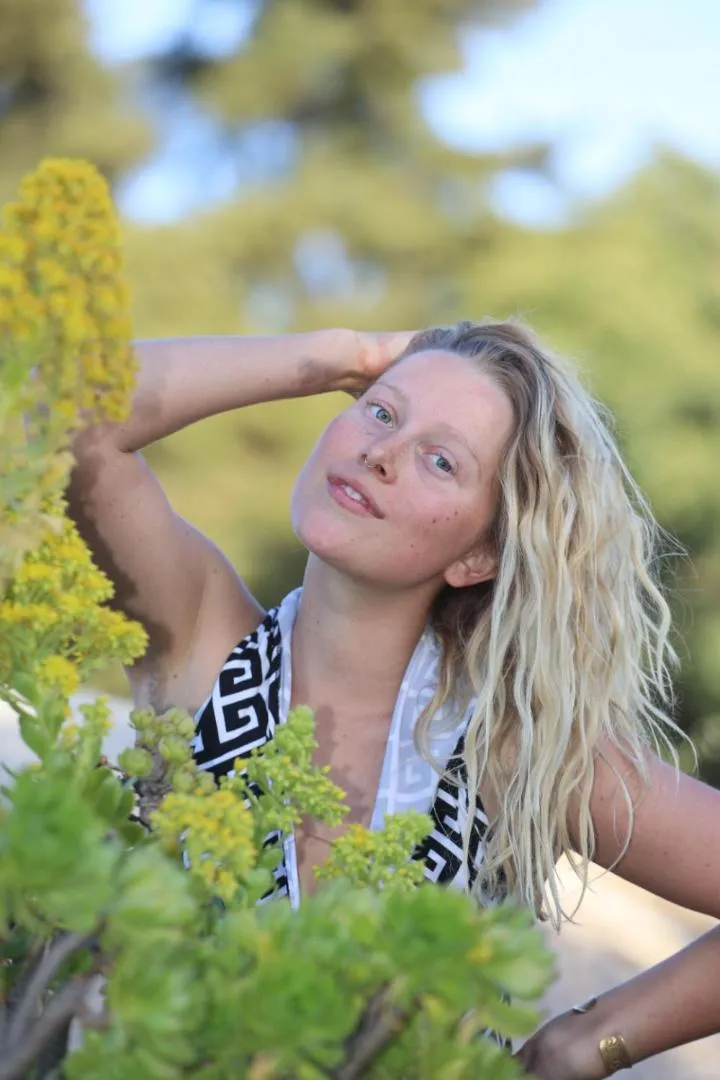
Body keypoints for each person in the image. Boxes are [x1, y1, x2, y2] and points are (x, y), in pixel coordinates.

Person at [67, 319, 720, 1079]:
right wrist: (353, 356)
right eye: (380, 412)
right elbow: (65, 416)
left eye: (439, 459)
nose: (380, 454)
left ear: (478, 555)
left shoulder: (511, 748)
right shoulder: (202, 645)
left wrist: (592, 1041)